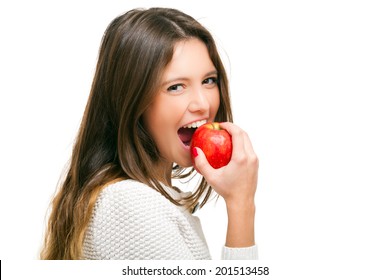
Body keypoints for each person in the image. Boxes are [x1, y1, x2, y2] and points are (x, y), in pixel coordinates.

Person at [40, 7, 259, 260]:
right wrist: (242, 204)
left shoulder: (136, 198)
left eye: (209, 80)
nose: (203, 103)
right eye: (176, 87)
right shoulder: (130, 205)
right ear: (132, 100)